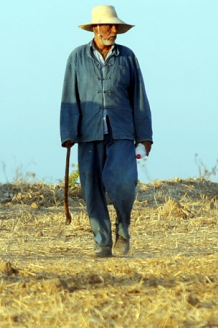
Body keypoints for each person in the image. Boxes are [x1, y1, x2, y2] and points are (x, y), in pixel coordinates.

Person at [60, 5, 153, 257]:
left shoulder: (127, 57)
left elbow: (139, 97)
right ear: (95, 28)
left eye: (116, 27)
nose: (114, 31)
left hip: (122, 131)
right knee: (92, 188)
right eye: (109, 26)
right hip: (88, 133)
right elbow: (70, 96)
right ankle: (102, 243)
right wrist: (68, 133)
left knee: (124, 184)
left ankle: (123, 231)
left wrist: (145, 136)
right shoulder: (77, 58)